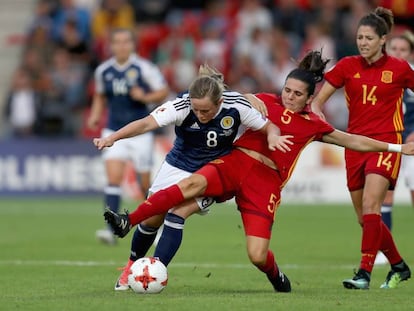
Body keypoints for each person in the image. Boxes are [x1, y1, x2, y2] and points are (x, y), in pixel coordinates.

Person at [103, 50, 414, 292]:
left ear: (309, 98)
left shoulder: (314, 124)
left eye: (297, 94)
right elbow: (230, 96)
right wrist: (225, 84)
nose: (289, 97)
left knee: (256, 254)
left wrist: (397, 148)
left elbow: (352, 141)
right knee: (191, 186)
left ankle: (277, 276)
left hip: (265, 182)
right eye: (287, 90)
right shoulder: (264, 101)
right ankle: (129, 220)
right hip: (235, 162)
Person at [93, 63, 289, 290]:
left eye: (205, 111)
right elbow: (146, 123)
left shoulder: (237, 105)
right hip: (178, 164)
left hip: (213, 170)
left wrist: (274, 137)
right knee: (151, 219)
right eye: (196, 110)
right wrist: (113, 138)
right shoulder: (182, 105)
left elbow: (269, 126)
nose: (200, 114)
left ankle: (154, 271)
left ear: (219, 102)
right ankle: (131, 266)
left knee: (177, 214)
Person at [311, 7, 414, 289]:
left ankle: (364, 274)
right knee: (365, 218)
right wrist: (319, 115)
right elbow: (318, 102)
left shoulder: (400, 69)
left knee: (372, 205)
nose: (363, 42)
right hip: (354, 145)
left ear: (383, 40)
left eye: (369, 37)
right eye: (359, 37)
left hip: (386, 145)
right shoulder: (347, 66)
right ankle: (399, 266)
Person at [88, 28, 170, 245]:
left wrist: (145, 96)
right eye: (118, 42)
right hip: (113, 131)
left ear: (132, 45)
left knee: (145, 185)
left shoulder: (144, 68)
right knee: (113, 179)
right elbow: (100, 94)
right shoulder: (104, 71)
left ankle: (153, 228)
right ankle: (110, 229)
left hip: (139, 133)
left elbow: (162, 92)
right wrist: (96, 115)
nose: (122, 46)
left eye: (126, 42)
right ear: (111, 45)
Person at [376, 29, 414, 265]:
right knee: (384, 195)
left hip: (411, 144)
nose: (398, 53)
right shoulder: (381, 75)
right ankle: (383, 250)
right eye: (394, 49)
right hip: (388, 141)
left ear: (410, 54)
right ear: (386, 51)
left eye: (403, 50)